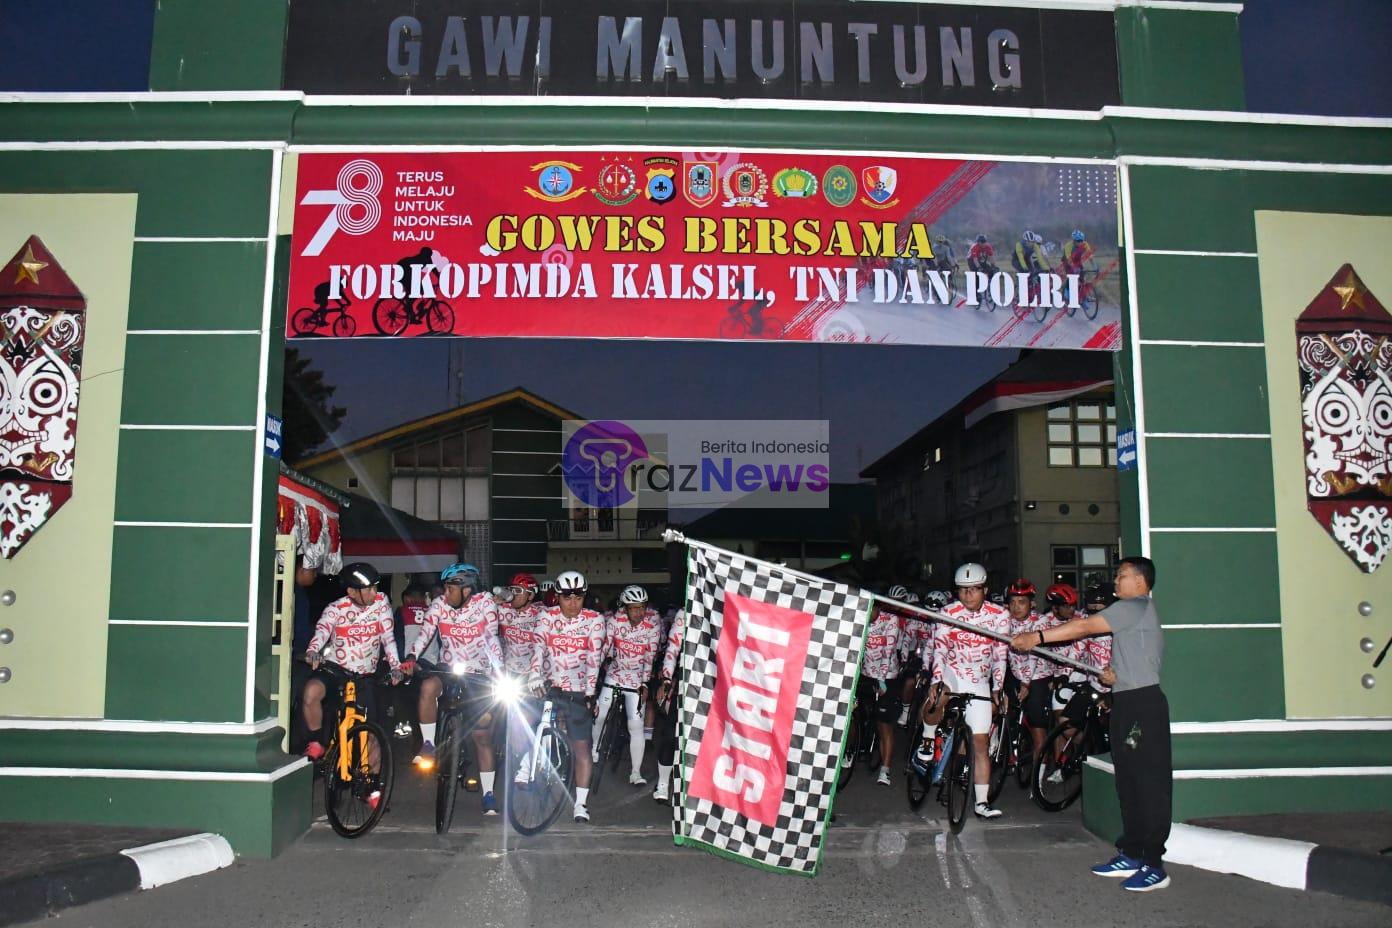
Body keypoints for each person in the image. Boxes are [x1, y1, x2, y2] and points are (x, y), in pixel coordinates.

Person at [1011, 556, 1171, 892]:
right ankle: (1131, 851)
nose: (1116, 581)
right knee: (1128, 780)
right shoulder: (1131, 614)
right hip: (1126, 702)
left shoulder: (1136, 605)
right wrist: (1115, 675)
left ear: (1141, 582)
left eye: (1122, 576)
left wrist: (1036, 638)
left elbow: (1084, 626)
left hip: (1143, 707)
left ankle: (1154, 863)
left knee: (1148, 783)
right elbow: (1140, 657)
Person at [402, 563, 505, 816]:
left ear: (467, 590)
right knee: (428, 686)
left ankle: (489, 793)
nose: (445, 594)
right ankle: (428, 744)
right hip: (448, 668)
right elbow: (425, 633)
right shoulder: (439, 605)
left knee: (481, 736)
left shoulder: (485, 604)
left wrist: (498, 672)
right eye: (444, 588)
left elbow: (492, 639)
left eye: (450, 589)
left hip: (478, 673)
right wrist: (412, 656)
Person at [301, 563, 403, 807]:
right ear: (351, 592)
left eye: (375, 587)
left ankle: (371, 785)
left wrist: (396, 666)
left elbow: (388, 639)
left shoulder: (381, 604)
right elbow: (322, 632)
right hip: (336, 669)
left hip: (365, 674)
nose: (374, 592)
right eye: (368, 589)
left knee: (373, 732)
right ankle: (317, 741)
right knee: (311, 693)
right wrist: (313, 652)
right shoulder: (335, 609)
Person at [923, 562, 1010, 819]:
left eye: (973, 590)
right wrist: (936, 679)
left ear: (984, 589)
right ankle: (928, 739)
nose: (967, 596)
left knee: (980, 743)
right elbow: (939, 648)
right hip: (953, 670)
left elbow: (1000, 654)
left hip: (979, 677)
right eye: (962, 590)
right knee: (939, 694)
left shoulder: (999, 615)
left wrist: (998, 688)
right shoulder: (948, 612)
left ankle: (981, 803)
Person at [528, 570, 607, 823]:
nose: (573, 604)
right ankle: (528, 763)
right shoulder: (546, 617)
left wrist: (590, 693)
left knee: (581, 747)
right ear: (558, 597)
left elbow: (594, 660)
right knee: (525, 717)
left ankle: (581, 804)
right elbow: (538, 648)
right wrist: (534, 675)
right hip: (551, 684)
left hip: (579, 688)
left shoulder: (594, 620)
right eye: (567, 598)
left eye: (578, 598)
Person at [592, 585, 663, 786]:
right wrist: (592, 675)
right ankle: (594, 750)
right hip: (615, 675)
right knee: (601, 713)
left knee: (635, 724)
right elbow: (604, 649)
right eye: (634, 608)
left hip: (636, 678)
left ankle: (635, 772)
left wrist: (645, 684)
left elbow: (649, 658)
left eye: (642, 607)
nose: (638, 612)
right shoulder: (615, 621)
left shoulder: (652, 624)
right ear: (625, 608)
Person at [860, 596, 903, 786]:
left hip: (887, 675)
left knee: (885, 724)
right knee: (857, 715)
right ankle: (853, 751)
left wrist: (882, 679)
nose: (868, 615)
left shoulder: (890, 619)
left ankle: (885, 770)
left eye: (872, 611)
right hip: (865, 672)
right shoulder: (858, 616)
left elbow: (888, 651)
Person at [652, 608, 686, 803]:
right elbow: (673, 648)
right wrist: (666, 678)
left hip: (714, 683)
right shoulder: (685, 612)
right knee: (671, 734)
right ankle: (663, 784)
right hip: (685, 680)